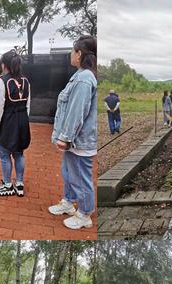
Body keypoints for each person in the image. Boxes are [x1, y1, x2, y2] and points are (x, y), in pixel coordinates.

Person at [48, 35, 97, 230]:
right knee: (68, 172)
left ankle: (85, 213)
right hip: (74, 140)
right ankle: (68, 202)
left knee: (80, 176)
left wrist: (66, 137)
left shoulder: (84, 79)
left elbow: (77, 112)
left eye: (72, 50)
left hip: (79, 140)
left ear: (80, 53)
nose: (71, 54)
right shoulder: (79, 76)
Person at [0, 50, 31, 197]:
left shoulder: (2, 82)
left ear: (4, 65)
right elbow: (28, 105)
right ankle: (19, 184)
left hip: (8, 121)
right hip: (22, 120)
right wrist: (24, 120)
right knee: (19, 153)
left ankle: (7, 184)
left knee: (4, 153)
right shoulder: (26, 81)